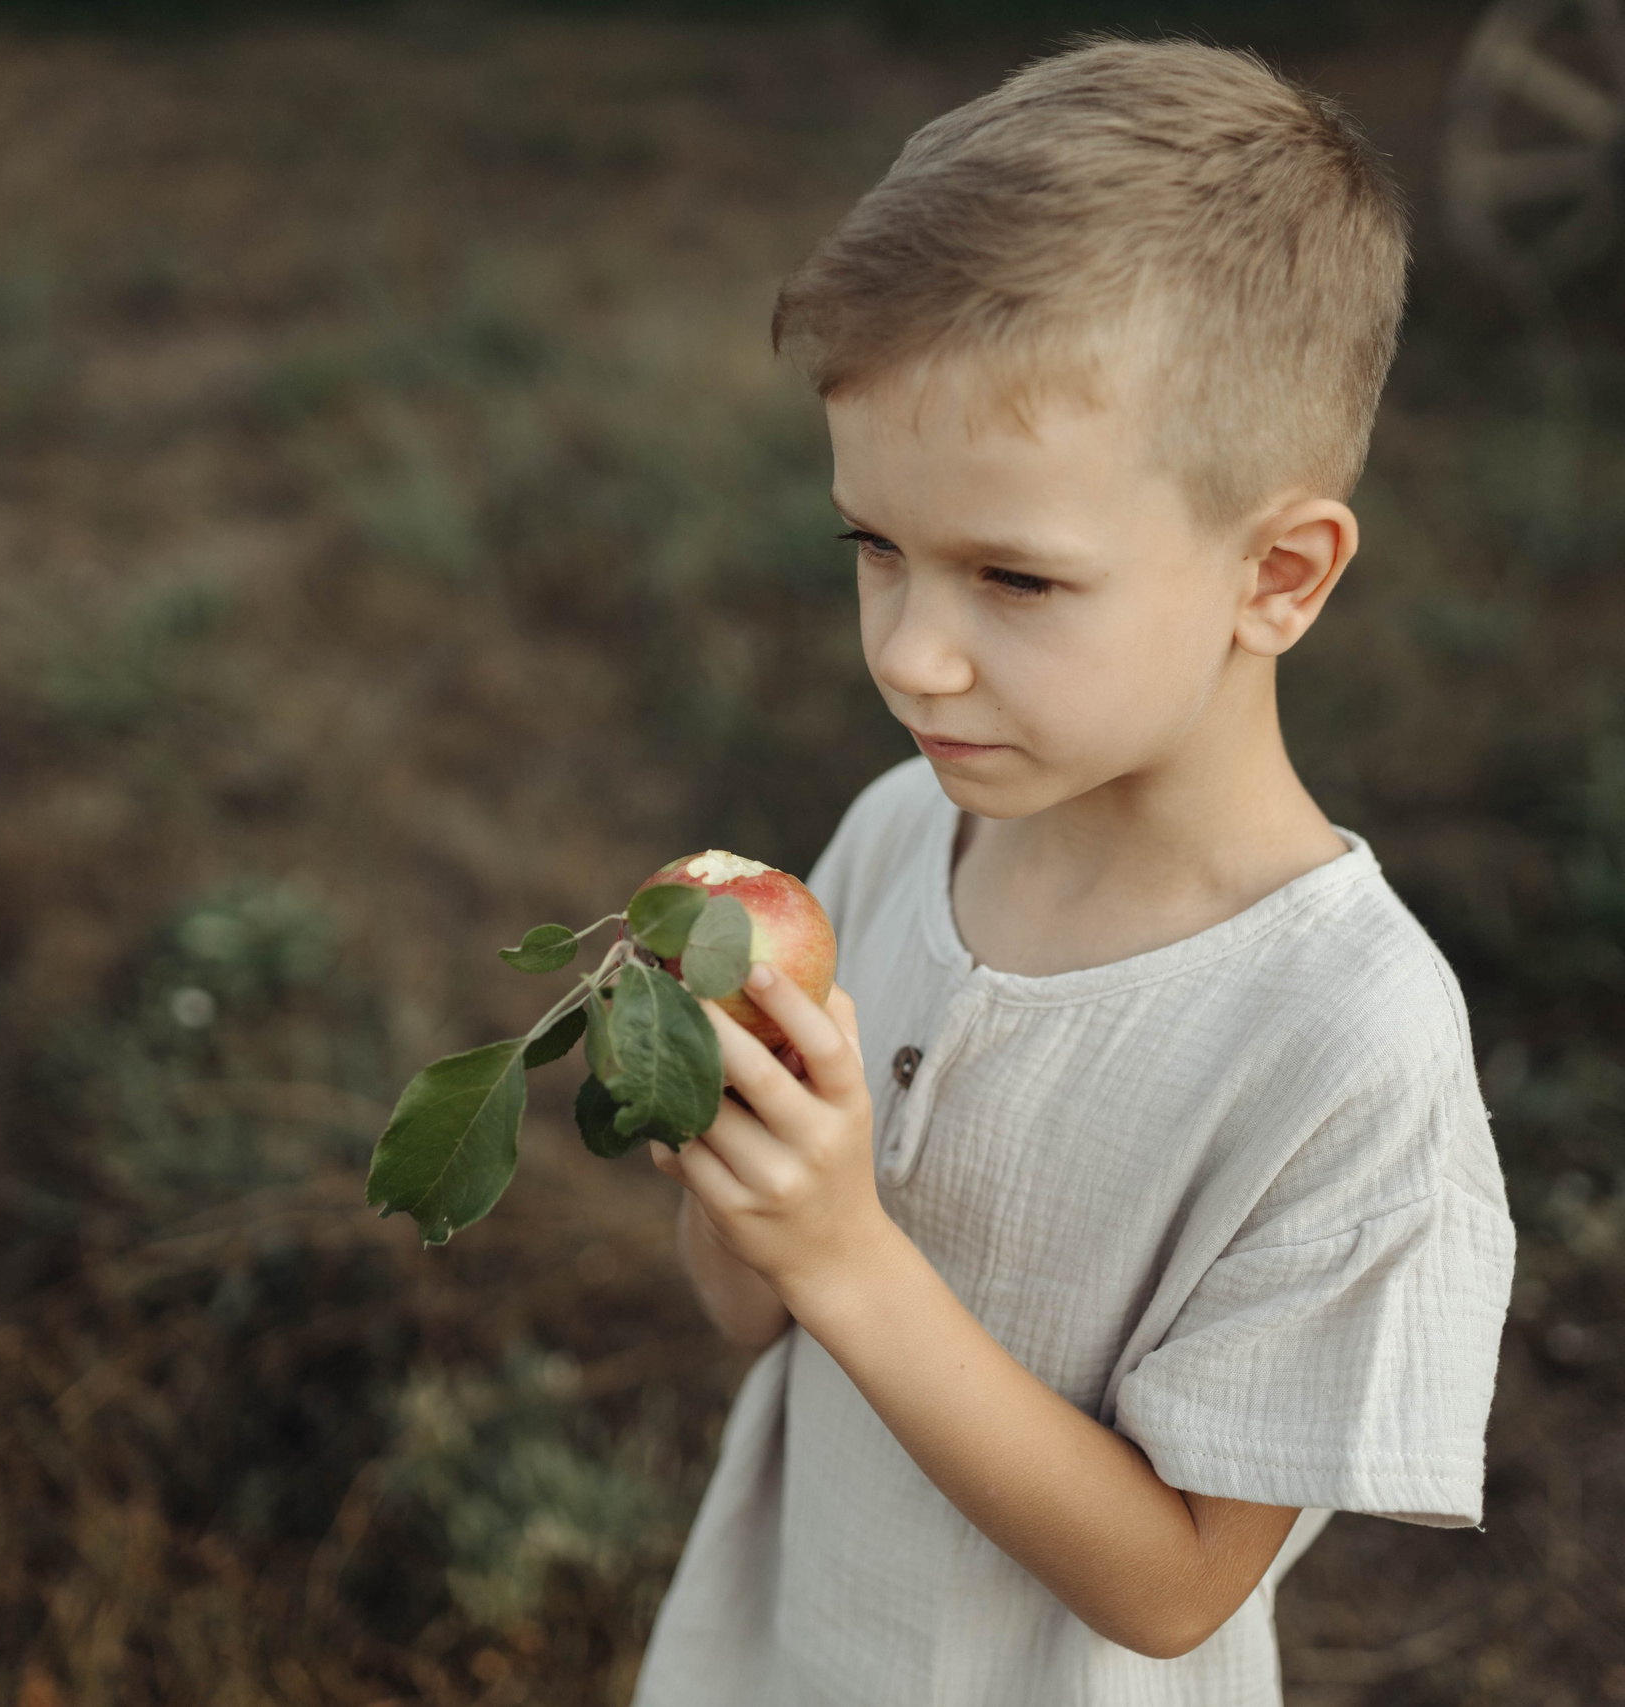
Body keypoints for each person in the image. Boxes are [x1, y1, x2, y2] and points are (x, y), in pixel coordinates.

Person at [628, 34, 1516, 1707]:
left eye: (1015, 582)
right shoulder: (902, 834)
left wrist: (849, 1258)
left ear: (1278, 575)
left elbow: (1176, 1588)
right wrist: (744, 1171)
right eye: (873, 549)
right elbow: (747, 1321)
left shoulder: (1346, 1044)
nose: (914, 659)